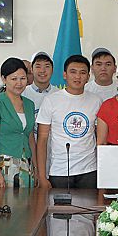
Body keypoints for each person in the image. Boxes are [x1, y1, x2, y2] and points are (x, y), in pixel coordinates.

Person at [36, 54, 103, 189]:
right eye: (73, 72)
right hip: (60, 170)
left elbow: (100, 137)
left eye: (82, 73)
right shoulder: (51, 100)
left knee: (90, 204)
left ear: (88, 76)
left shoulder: (96, 101)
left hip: (89, 170)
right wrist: (42, 176)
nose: (77, 77)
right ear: (64, 75)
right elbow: (42, 140)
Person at [0, 57, 36, 188]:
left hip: (26, 165)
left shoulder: (29, 104)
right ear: (4, 79)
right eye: (14, 79)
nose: (19, 83)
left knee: (27, 201)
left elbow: (30, 138)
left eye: (22, 78)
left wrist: (35, 167)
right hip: (3, 166)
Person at [21, 51, 57, 116]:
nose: (42, 70)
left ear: (52, 69)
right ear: (31, 69)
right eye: (38, 66)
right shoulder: (22, 94)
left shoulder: (58, 94)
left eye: (47, 66)